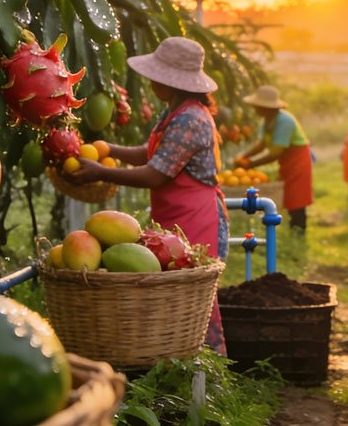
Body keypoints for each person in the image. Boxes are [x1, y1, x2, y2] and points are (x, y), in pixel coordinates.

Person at [62, 36, 229, 355]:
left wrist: (102, 172)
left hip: (196, 218)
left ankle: (206, 371)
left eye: (156, 76)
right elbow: (150, 153)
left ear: (170, 81)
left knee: (194, 297)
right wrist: (110, 149)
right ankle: (177, 363)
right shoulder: (175, 112)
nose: (151, 82)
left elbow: (156, 173)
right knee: (175, 294)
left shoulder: (191, 119)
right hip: (178, 217)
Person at [236, 85, 314, 232]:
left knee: (297, 198)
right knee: (289, 196)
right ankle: (294, 230)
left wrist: (250, 164)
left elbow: (275, 152)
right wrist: (243, 156)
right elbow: (262, 144)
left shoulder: (284, 121)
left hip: (298, 160)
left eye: (256, 106)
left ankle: (299, 231)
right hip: (287, 161)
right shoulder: (268, 121)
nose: (254, 109)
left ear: (264, 107)